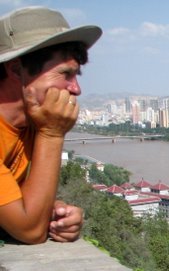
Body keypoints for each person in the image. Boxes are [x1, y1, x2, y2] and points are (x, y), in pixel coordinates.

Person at [0, 6, 101, 244]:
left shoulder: (28, 126)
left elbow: (17, 201)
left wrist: (56, 212)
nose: (76, 89)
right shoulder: (44, 128)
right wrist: (53, 134)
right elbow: (30, 231)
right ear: (16, 69)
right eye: (65, 74)